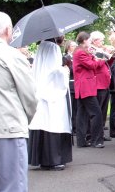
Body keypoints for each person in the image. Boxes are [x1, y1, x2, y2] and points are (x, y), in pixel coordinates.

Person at [0, 12, 37, 191]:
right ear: (8, 30)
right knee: (13, 185)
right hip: (8, 127)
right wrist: (26, 121)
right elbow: (30, 96)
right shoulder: (11, 55)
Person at [28, 39, 72, 170]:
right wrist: (64, 70)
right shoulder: (53, 47)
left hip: (41, 90)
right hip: (52, 93)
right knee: (53, 124)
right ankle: (54, 159)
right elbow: (54, 70)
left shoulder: (42, 46)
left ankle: (42, 159)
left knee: (43, 123)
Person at [73, 32, 106, 148]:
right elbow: (92, 65)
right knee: (96, 113)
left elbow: (90, 61)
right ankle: (96, 140)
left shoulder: (80, 51)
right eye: (89, 40)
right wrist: (102, 59)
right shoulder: (80, 52)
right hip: (86, 86)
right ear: (84, 40)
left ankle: (81, 141)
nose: (90, 42)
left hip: (84, 86)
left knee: (82, 115)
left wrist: (93, 55)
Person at [90, 31, 112, 141]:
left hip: (105, 84)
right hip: (98, 84)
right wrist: (105, 54)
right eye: (101, 40)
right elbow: (98, 63)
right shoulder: (92, 50)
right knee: (98, 111)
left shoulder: (99, 50)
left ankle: (101, 132)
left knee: (103, 111)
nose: (103, 42)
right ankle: (95, 134)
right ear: (94, 40)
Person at [63, 40, 77, 135]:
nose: (75, 47)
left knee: (77, 108)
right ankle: (72, 127)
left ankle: (76, 127)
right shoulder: (66, 58)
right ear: (68, 47)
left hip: (76, 86)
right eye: (73, 46)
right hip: (70, 85)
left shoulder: (75, 57)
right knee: (72, 108)